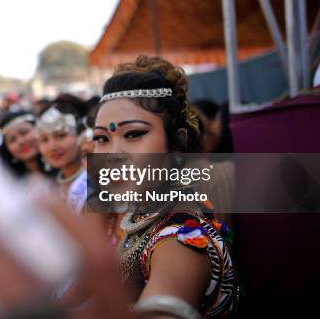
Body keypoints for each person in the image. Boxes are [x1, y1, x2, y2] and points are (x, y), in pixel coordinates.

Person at [91, 56, 237, 317]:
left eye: (134, 134)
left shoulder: (181, 236)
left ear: (177, 144)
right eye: (101, 138)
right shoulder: (142, 215)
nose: (112, 154)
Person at [36, 94, 87, 213]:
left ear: (81, 134)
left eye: (61, 136)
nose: (52, 147)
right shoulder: (46, 189)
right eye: (44, 140)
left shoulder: (99, 183)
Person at [0, 110, 55, 179]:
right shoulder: (9, 184)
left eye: (24, 133)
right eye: (12, 140)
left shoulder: (64, 168)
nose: (21, 142)